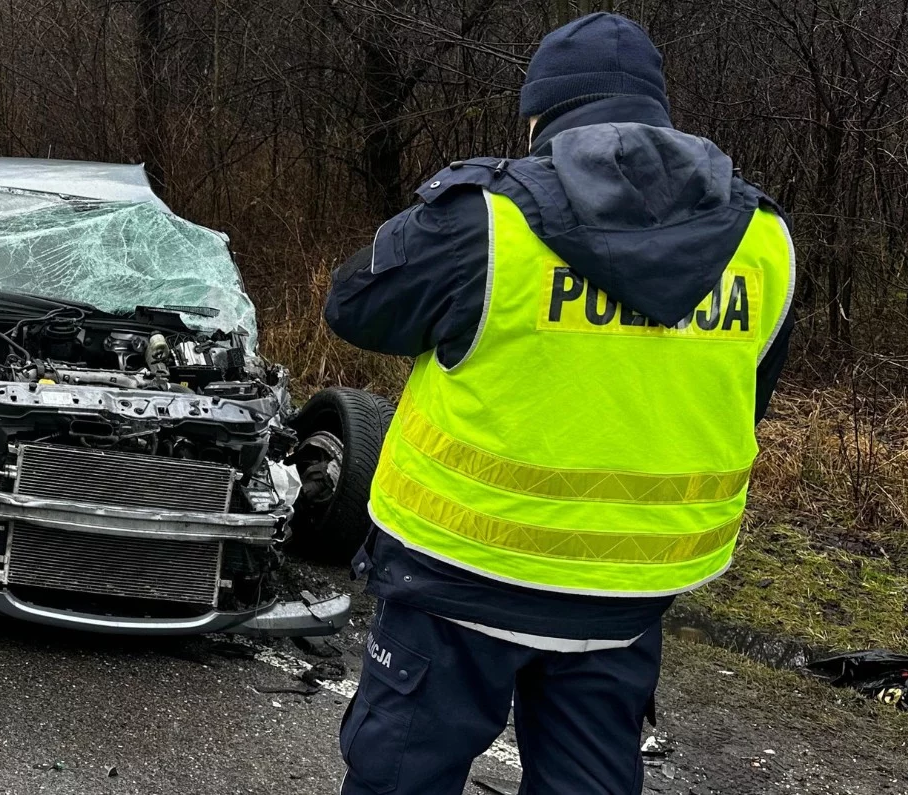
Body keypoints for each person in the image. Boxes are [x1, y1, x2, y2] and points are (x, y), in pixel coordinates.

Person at [324, 12, 795, 795]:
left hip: (461, 571)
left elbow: (354, 307)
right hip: (626, 592)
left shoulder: (486, 218)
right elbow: (745, 395)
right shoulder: (763, 238)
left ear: (540, 114)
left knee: (399, 776)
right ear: (659, 111)